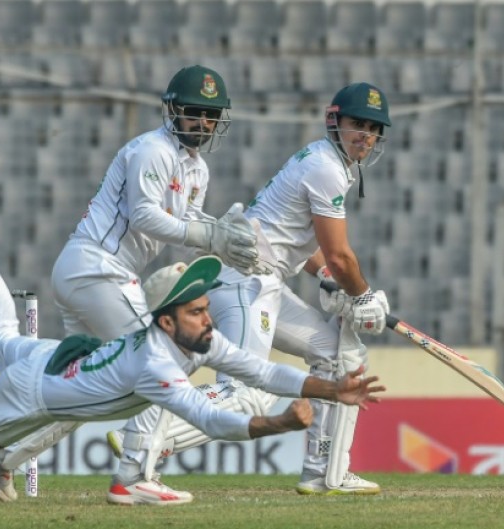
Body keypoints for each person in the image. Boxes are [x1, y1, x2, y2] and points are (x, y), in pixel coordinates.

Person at [0, 189, 386, 514]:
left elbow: (258, 368)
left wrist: (333, 388)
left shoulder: (191, 336)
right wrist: (279, 423)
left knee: (0, 329)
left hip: (52, 358)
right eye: (197, 310)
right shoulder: (155, 364)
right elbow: (212, 419)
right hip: (29, 397)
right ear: (166, 320)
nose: (210, 318)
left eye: (205, 307)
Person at [0, 64, 271, 501]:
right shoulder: (152, 150)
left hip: (97, 274)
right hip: (96, 268)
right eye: (194, 112)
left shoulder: (198, 170)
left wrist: (221, 237)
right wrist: (210, 235)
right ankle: (133, 476)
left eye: (211, 115)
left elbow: (184, 226)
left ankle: (0, 458)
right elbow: (145, 215)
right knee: (161, 359)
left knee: (82, 391)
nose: (203, 123)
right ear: (173, 110)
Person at [106, 83, 394, 497]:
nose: (365, 135)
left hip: (264, 281)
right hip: (247, 280)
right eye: (357, 124)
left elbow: (295, 240)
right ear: (335, 122)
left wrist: (325, 275)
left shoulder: (325, 160)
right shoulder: (326, 167)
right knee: (247, 396)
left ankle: (325, 472)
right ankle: (146, 433)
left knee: (335, 352)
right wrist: (362, 295)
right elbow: (340, 254)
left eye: (373, 128)